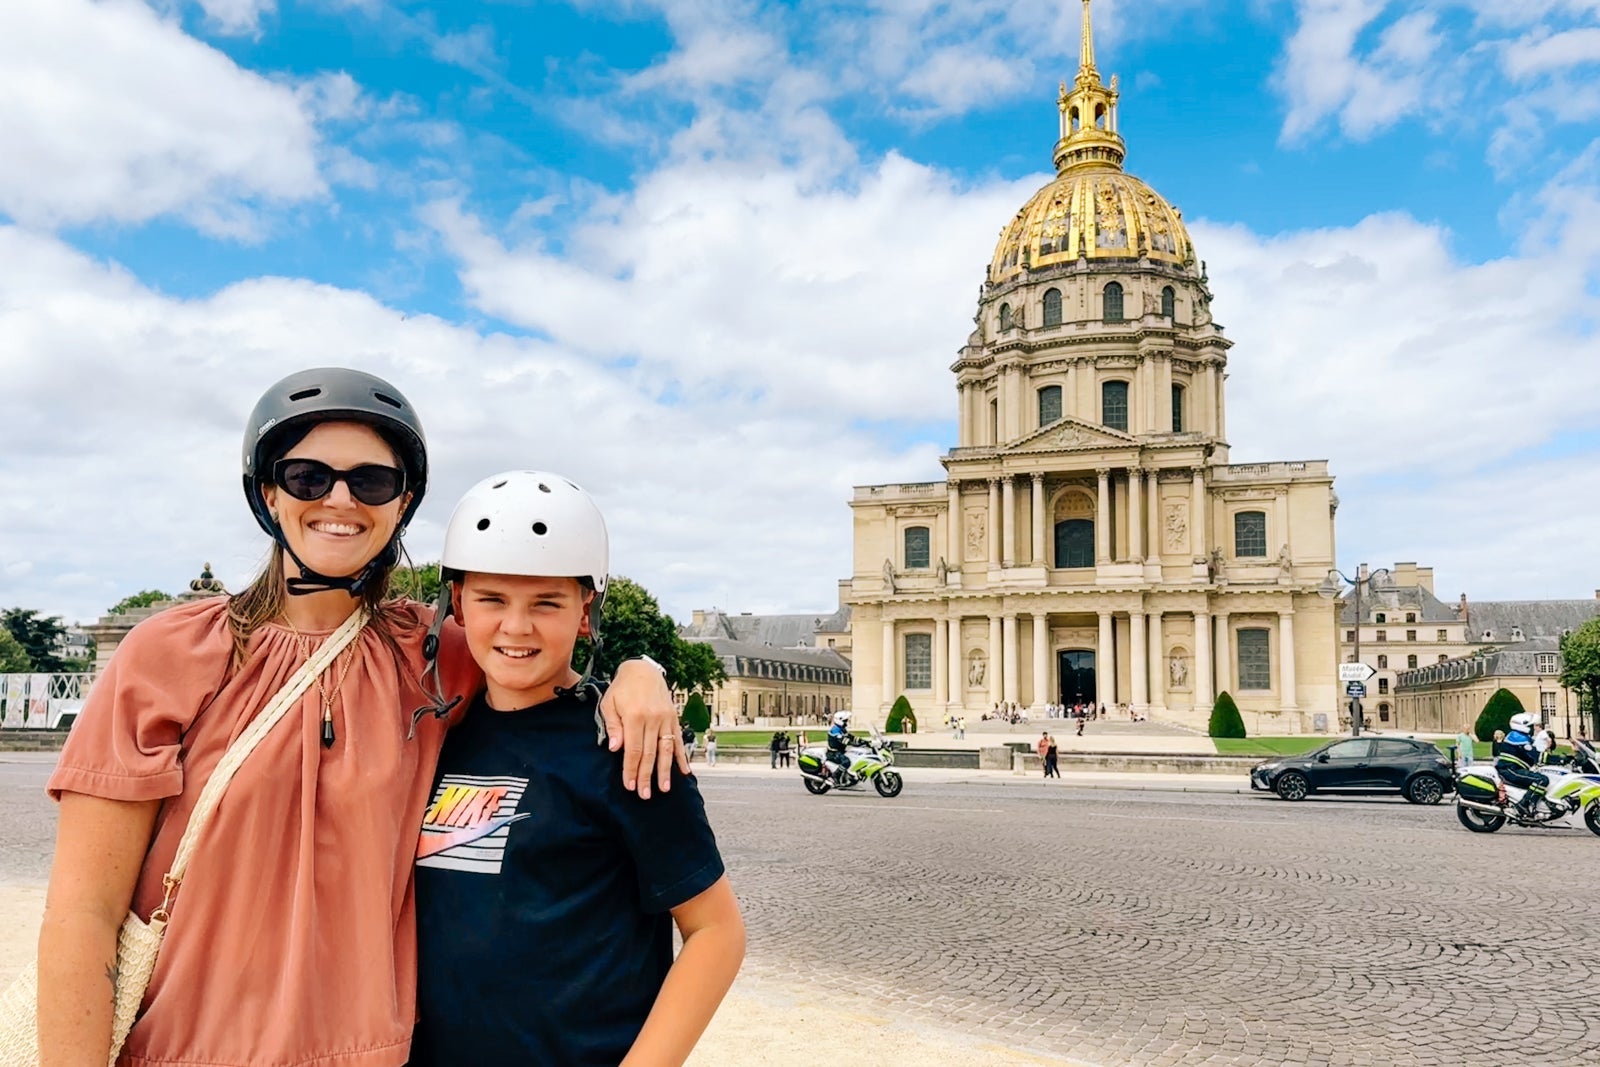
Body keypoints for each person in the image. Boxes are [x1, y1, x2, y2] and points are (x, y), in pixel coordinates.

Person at [37, 369, 685, 1067]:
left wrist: (639, 670)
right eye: (308, 476)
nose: (340, 499)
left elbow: (535, 650)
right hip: (185, 1050)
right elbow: (83, 914)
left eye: (371, 481)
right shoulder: (170, 655)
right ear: (267, 491)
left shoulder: (432, 657)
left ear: (402, 502)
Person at [411, 471, 744, 1066]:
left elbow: (716, 933)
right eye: (493, 599)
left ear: (585, 611)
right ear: (457, 603)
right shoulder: (434, 736)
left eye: (546, 602)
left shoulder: (626, 746)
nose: (517, 626)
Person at [1496, 712, 1548, 817]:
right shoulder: (1518, 738)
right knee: (1542, 780)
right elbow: (1534, 754)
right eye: (1531, 726)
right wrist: (1560, 759)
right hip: (1510, 769)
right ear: (1523, 726)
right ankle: (1524, 804)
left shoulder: (1518, 736)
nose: (1533, 728)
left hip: (1512, 768)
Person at [825, 710, 855, 781]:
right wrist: (853, 743)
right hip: (834, 753)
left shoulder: (842, 729)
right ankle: (835, 776)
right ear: (839, 720)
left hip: (841, 751)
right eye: (845, 721)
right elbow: (843, 740)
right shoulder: (835, 730)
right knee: (846, 762)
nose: (846, 722)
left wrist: (865, 742)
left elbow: (851, 737)